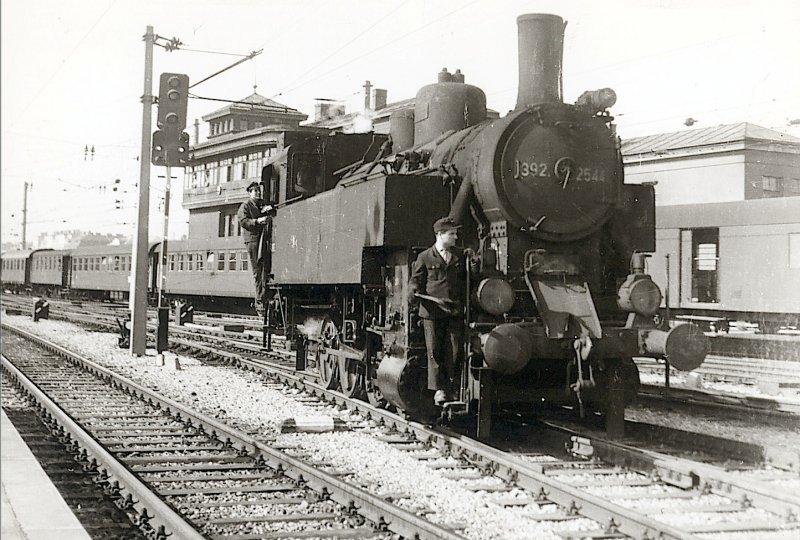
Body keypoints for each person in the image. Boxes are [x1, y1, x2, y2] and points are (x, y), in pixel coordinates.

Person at [408, 217, 470, 406]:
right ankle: (439, 390)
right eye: (451, 234)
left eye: (455, 233)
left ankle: (452, 387)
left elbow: (468, 278)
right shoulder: (425, 257)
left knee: (455, 350)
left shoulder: (460, 256)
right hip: (432, 312)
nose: (455, 237)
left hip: (453, 310)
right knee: (434, 351)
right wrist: (413, 293)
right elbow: (415, 281)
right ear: (440, 235)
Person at [237, 181, 275, 314]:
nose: (258, 193)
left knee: (264, 269)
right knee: (258, 271)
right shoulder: (245, 206)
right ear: (250, 193)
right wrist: (257, 221)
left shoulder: (260, 204)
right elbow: (243, 221)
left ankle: (263, 298)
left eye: (259, 190)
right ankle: (259, 301)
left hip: (263, 239)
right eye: (255, 191)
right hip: (253, 240)